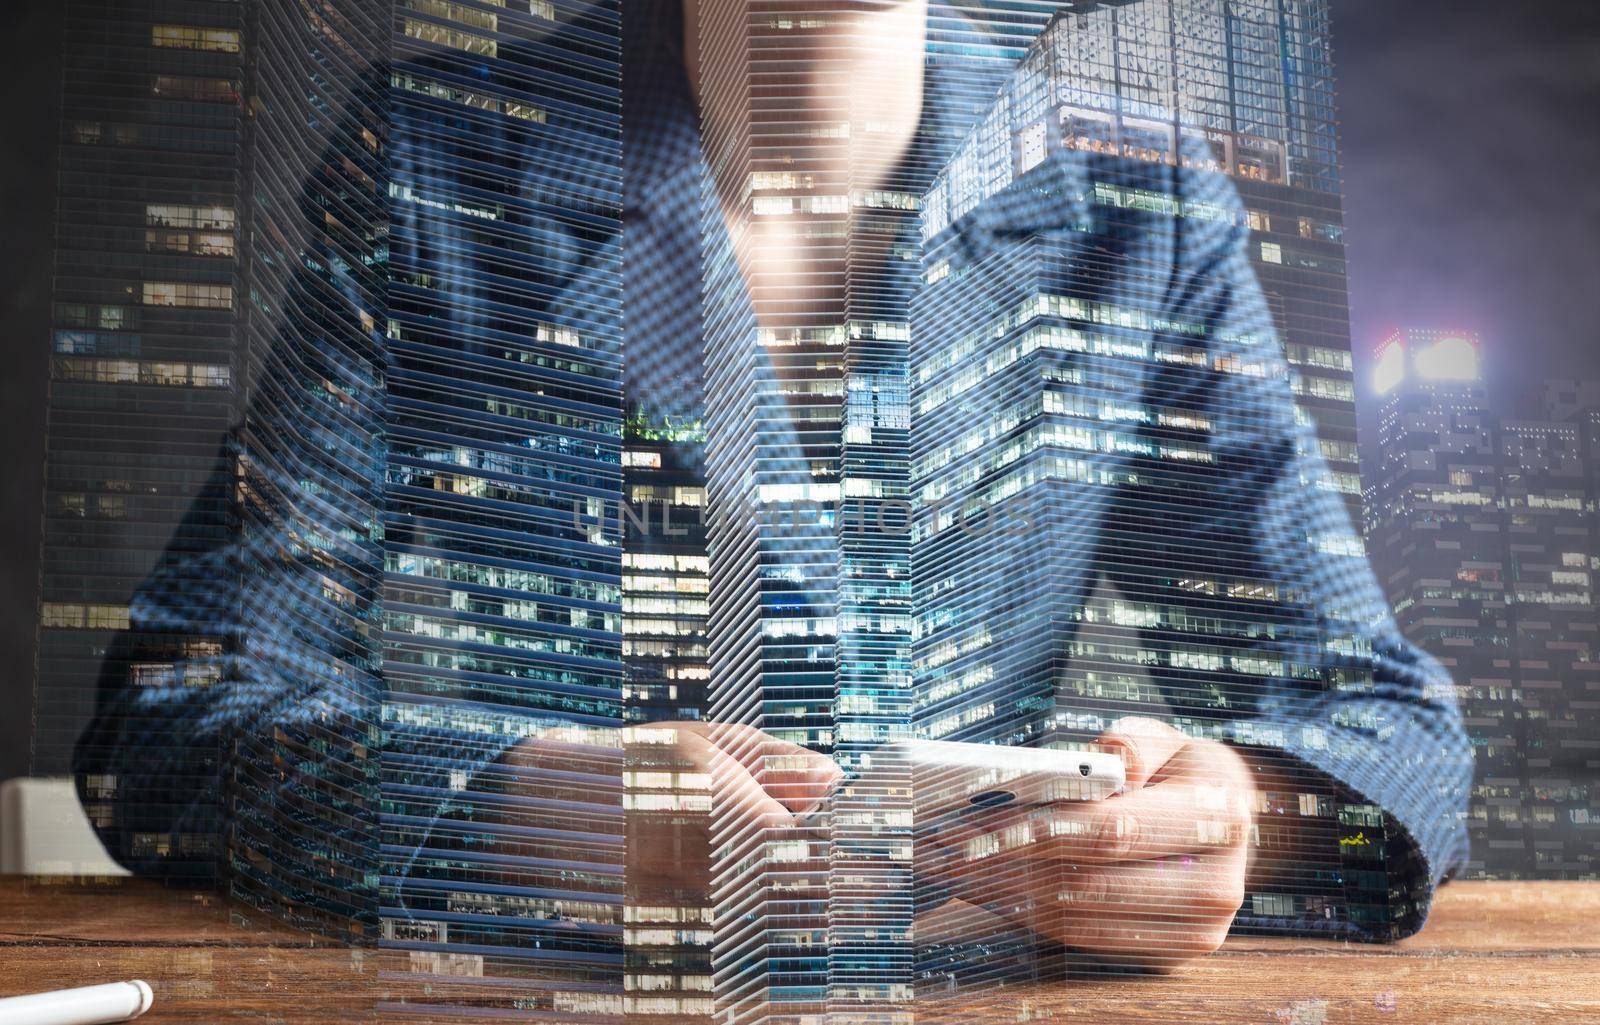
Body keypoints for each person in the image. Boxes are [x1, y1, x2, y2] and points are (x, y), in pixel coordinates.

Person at [75, 0, 1471, 987]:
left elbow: (1391, 725)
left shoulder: (1141, 206)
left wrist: (1233, 812)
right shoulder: (441, 166)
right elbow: (175, 719)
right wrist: (529, 805)